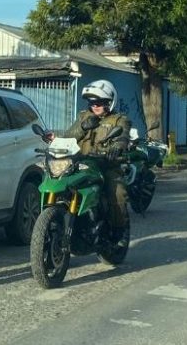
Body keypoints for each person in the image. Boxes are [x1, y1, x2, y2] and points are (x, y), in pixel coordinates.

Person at [59, 79, 131, 248]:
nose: (95, 106)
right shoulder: (84, 117)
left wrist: (117, 147)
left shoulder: (119, 120)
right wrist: (83, 127)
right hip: (81, 163)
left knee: (117, 193)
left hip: (106, 165)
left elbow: (123, 137)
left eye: (100, 102)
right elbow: (67, 137)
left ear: (109, 102)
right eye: (92, 102)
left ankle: (118, 231)